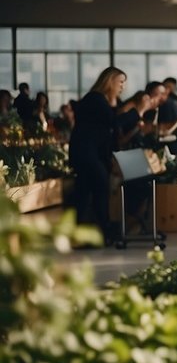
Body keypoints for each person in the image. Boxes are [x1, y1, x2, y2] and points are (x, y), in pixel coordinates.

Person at [68, 66, 126, 244]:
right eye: (120, 82)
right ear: (110, 82)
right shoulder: (95, 99)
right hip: (86, 153)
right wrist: (135, 110)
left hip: (92, 154)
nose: (123, 87)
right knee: (99, 185)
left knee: (85, 191)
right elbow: (113, 121)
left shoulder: (104, 101)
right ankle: (103, 230)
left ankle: (85, 232)